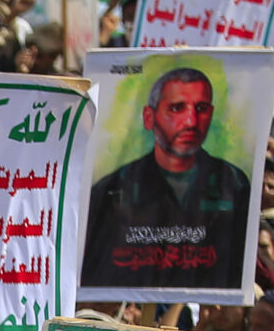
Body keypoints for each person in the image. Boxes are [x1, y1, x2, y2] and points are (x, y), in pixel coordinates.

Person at [82, 66, 254, 295]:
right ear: (149, 117)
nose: (191, 121)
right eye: (177, 108)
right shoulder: (113, 190)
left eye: (201, 108)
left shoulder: (233, 184)